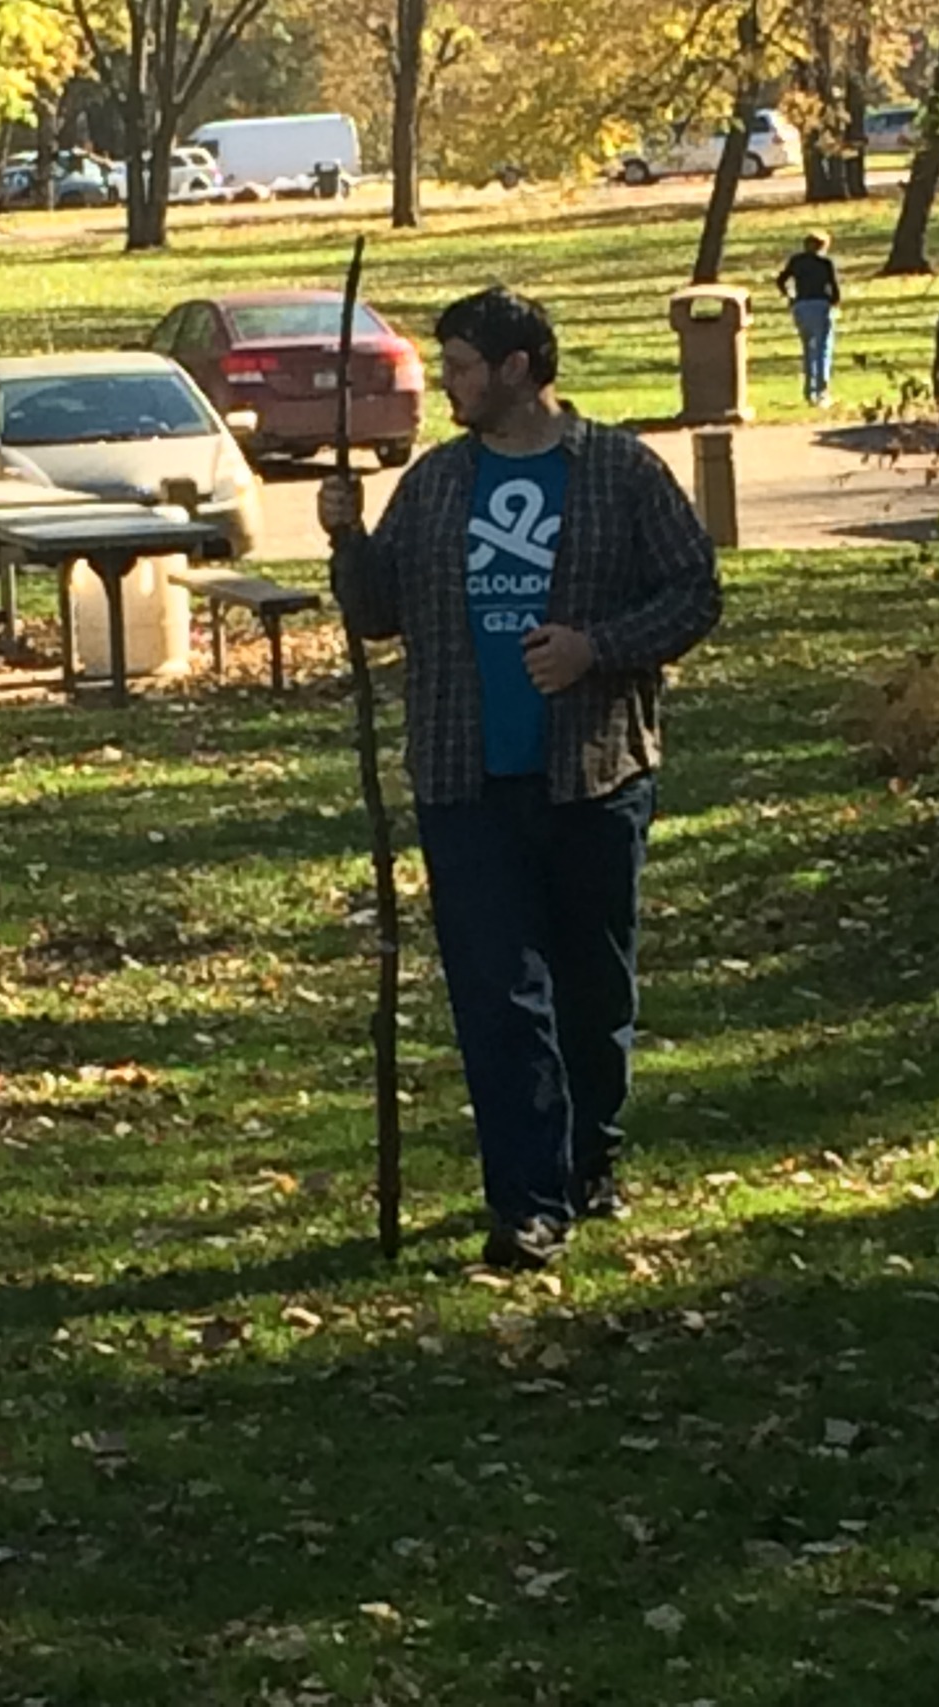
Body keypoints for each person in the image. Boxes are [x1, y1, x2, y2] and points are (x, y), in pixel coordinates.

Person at [318, 285, 721, 1270]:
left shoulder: (620, 471)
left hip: (593, 774)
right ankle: (528, 1202)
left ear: (516, 368)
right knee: (497, 996)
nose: (448, 384)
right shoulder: (437, 483)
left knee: (592, 990)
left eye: (461, 366)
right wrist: (347, 538)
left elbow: (694, 592)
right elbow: (377, 614)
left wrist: (597, 648)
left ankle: (590, 1158)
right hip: (464, 778)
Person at [776, 230, 841, 406]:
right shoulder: (825, 263)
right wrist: (834, 303)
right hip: (820, 305)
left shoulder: (796, 261)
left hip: (801, 305)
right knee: (823, 349)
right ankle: (822, 391)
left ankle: (808, 390)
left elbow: (781, 280)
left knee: (807, 348)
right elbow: (834, 287)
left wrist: (790, 296)